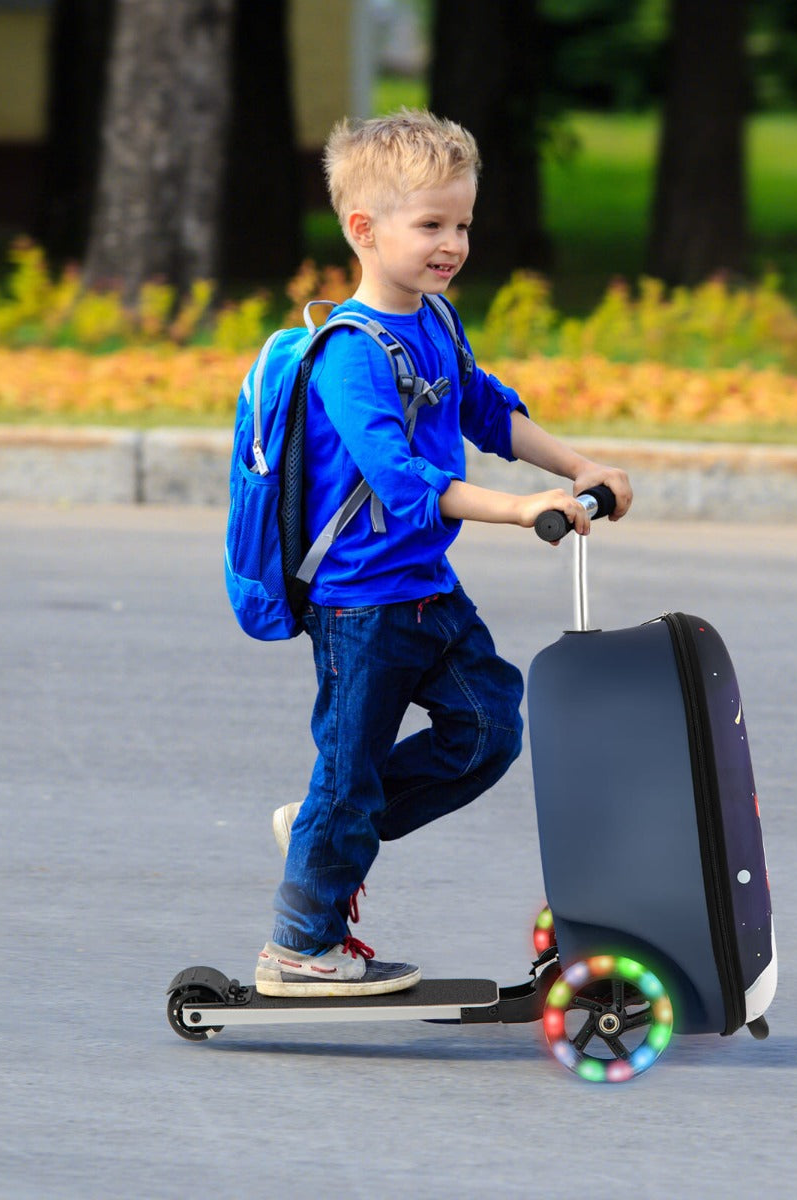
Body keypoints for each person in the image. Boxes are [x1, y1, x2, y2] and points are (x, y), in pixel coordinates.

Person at [255, 108, 632, 997]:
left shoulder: (438, 321)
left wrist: (580, 466)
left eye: (461, 223)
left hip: (427, 588)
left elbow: (488, 410)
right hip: (362, 606)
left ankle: (324, 826)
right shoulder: (348, 355)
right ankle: (299, 950)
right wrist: (522, 508)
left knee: (488, 730)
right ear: (364, 229)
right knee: (349, 776)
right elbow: (404, 481)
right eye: (431, 224)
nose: (452, 243)